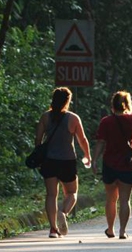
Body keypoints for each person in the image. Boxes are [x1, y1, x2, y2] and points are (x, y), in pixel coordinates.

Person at [35, 87, 91, 238]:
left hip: (49, 161)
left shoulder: (45, 117)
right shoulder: (73, 118)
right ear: (68, 101)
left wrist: (40, 157)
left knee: (51, 195)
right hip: (67, 161)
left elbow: (38, 140)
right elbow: (82, 140)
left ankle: (53, 229)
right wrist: (87, 155)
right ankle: (63, 212)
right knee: (72, 192)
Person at [93, 91, 132, 240]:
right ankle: (122, 231)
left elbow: (101, 142)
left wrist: (94, 160)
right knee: (125, 200)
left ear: (112, 105)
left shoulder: (106, 121)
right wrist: (130, 106)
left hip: (110, 164)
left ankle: (110, 229)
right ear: (126, 104)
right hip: (128, 164)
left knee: (111, 199)